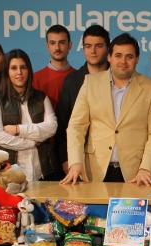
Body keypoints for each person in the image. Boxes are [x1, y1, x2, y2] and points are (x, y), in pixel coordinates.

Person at [63, 33, 151, 186]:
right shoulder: (90, 83)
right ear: (109, 57)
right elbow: (76, 126)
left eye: (129, 56)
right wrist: (75, 162)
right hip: (94, 171)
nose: (123, 61)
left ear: (137, 59)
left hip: (136, 174)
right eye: (118, 55)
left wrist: (146, 168)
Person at [0, 49, 60, 181]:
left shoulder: (41, 97)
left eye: (23, 67)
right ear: (7, 72)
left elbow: (52, 127)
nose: (19, 72)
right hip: (11, 172)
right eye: (14, 68)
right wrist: (31, 143)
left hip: (44, 170)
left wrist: (18, 129)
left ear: (29, 70)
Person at [55, 25, 110, 175]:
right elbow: (63, 123)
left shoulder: (118, 79)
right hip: (78, 159)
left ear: (107, 48)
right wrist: (66, 158)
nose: (93, 51)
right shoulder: (72, 80)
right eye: (88, 46)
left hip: (114, 160)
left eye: (98, 46)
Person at [32, 25, 75, 111]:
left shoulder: (80, 77)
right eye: (52, 43)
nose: (57, 48)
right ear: (47, 46)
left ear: (69, 45)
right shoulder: (35, 79)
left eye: (62, 42)